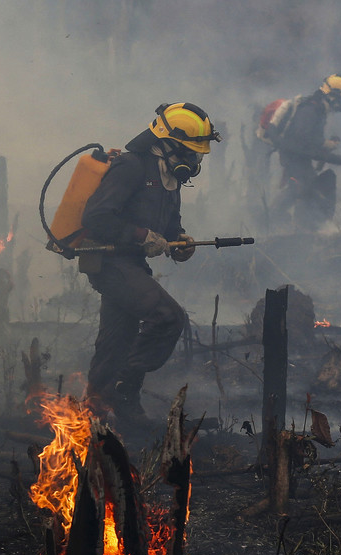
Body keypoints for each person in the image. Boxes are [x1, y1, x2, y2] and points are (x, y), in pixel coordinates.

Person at [80, 102, 220, 425]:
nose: (193, 162)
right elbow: (96, 216)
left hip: (131, 265)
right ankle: (122, 388)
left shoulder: (170, 177)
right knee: (168, 317)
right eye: (188, 153)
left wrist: (179, 240)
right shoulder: (131, 167)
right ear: (167, 144)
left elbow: (170, 224)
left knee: (116, 342)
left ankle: (95, 415)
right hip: (109, 262)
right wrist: (140, 234)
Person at [268, 74, 341, 228]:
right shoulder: (311, 110)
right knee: (302, 188)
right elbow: (302, 136)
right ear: (332, 96)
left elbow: (307, 138)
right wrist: (325, 144)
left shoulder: (318, 109)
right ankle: (274, 221)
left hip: (298, 156)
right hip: (294, 155)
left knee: (306, 187)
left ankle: (291, 223)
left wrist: (323, 146)